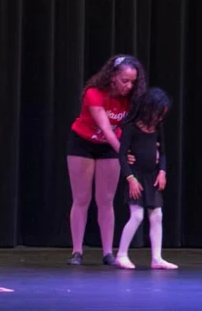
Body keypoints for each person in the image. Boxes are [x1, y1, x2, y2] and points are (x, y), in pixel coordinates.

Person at [66, 54, 147, 266]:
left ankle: (107, 252)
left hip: (109, 148)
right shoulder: (94, 94)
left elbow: (133, 128)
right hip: (83, 144)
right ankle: (77, 251)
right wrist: (124, 155)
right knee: (81, 199)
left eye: (133, 82)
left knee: (106, 200)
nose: (129, 86)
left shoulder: (130, 99)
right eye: (125, 81)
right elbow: (105, 128)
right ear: (113, 77)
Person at [114, 87, 178, 270]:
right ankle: (121, 254)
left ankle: (157, 258)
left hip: (152, 176)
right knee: (137, 215)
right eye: (158, 114)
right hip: (135, 176)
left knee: (157, 215)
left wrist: (162, 172)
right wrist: (131, 178)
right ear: (149, 109)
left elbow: (163, 153)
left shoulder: (158, 128)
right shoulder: (131, 128)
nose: (160, 118)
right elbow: (122, 156)